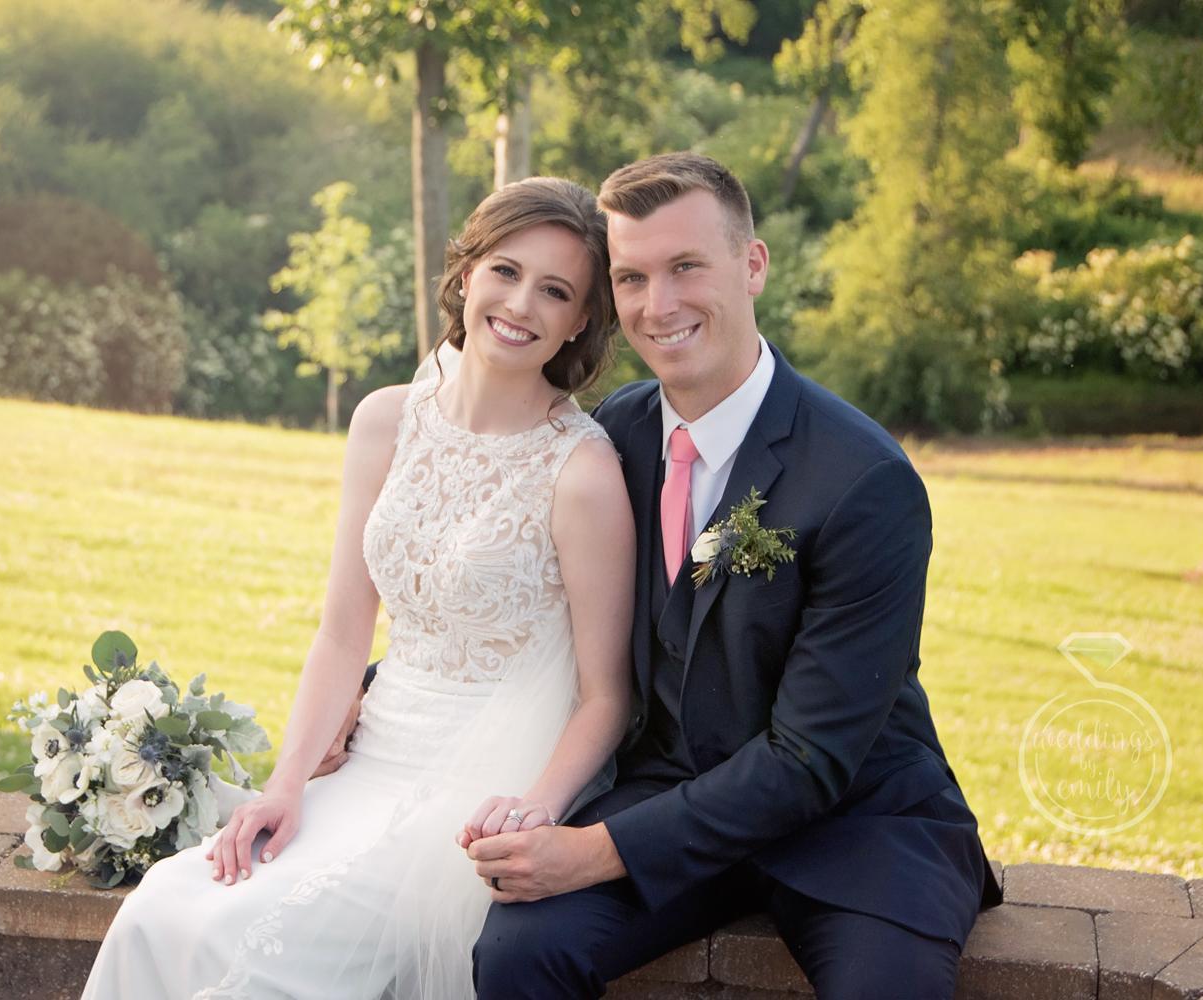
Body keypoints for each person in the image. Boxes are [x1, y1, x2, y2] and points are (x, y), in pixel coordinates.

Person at [79, 177, 635, 1000]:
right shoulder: (384, 421)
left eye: (555, 291)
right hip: (369, 759)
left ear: (580, 320)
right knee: (163, 909)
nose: (521, 304)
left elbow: (606, 696)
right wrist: (287, 783)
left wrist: (533, 810)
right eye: (506, 271)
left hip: (479, 788)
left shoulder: (581, 471)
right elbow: (343, 635)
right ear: (467, 274)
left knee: (265, 953)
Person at [463, 153, 1003, 999]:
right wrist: (374, 691)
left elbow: (811, 757)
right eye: (632, 278)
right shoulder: (614, 436)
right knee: (518, 953)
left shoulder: (865, 479)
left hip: (855, 824)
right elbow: (541, 609)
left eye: (686, 267)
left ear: (752, 265)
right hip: (666, 796)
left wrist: (593, 852)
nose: (658, 305)